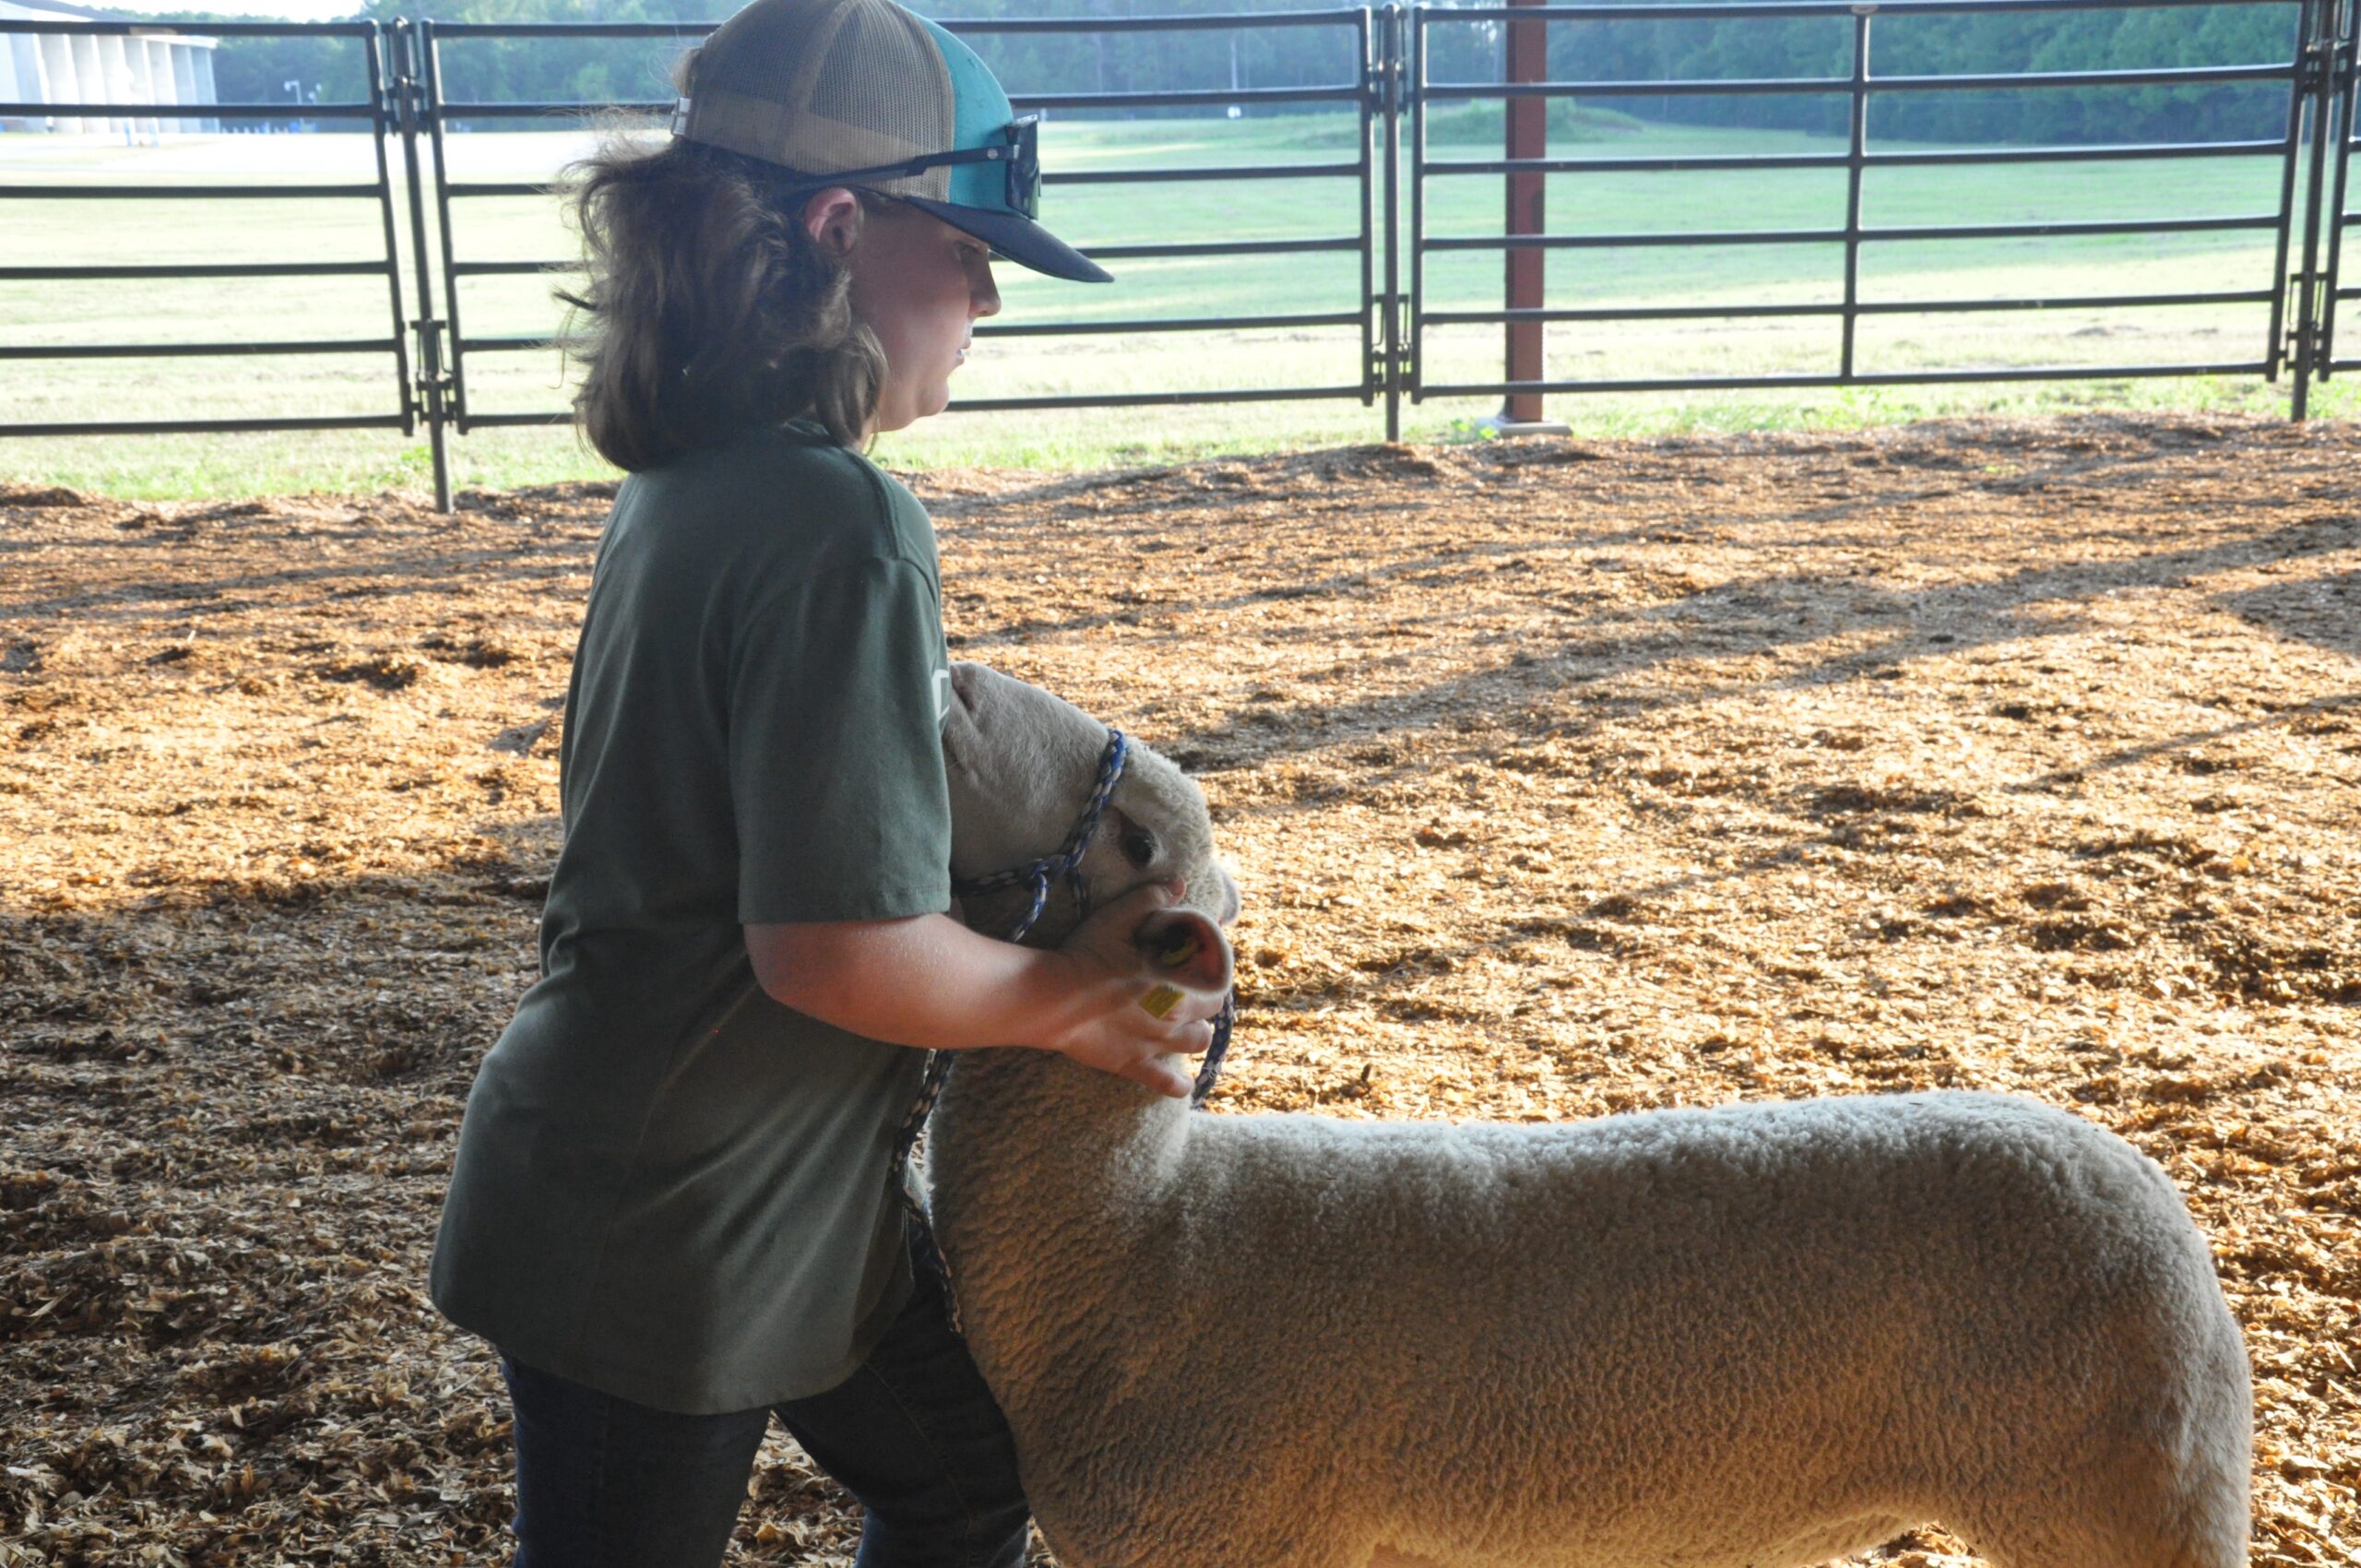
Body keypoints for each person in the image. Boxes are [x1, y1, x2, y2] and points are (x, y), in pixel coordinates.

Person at [424, 2, 1225, 1562]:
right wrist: (1071, 1000)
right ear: (840, 230)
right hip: (671, 1220)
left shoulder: (699, 475)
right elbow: (835, 951)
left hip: (778, 1185)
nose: (992, 288)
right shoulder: (838, 523)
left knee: (967, 1482)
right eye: (968, 242)